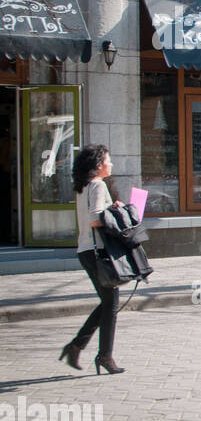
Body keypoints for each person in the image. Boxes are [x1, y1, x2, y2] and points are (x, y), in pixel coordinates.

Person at [61, 145, 126, 374]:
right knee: (111, 302)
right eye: (109, 160)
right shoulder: (98, 185)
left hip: (85, 250)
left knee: (108, 302)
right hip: (99, 251)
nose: (111, 164)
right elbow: (96, 218)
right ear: (99, 165)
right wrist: (117, 213)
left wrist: (112, 207)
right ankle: (104, 356)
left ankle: (78, 346)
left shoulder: (83, 187)